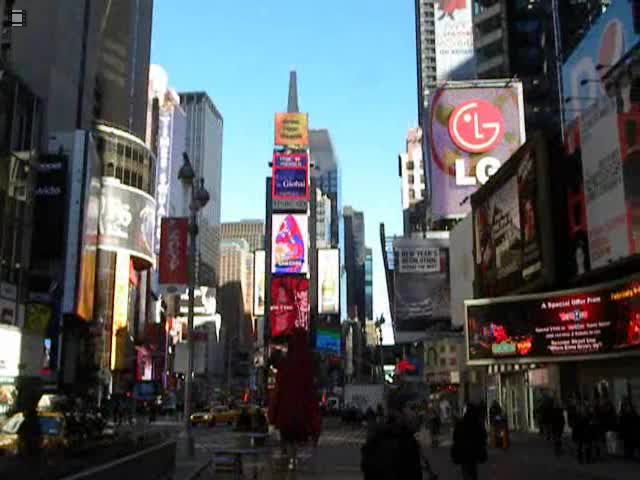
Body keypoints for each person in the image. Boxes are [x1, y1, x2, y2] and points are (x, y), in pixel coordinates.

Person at [269, 328, 321, 470]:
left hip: (286, 418)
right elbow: (311, 397)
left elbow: (278, 392)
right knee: (297, 452)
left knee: (288, 449)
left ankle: (289, 462)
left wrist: (272, 416)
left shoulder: (285, 365)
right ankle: (293, 463)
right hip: (302, 419)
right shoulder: (309, 365)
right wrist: (315, 426)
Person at [361, 392, 436, 480]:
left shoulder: (407, 439)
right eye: (413, 408)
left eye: (420, 409)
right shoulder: (391, 442)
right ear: (397, 413)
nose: (419, 413)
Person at [451, 403, 487, 480]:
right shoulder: (477, 423)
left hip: (463, 452)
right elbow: (483, 436)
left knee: (466, 471)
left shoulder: (461, 423)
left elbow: (455, 437)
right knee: (473, 470)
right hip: (474, 452)